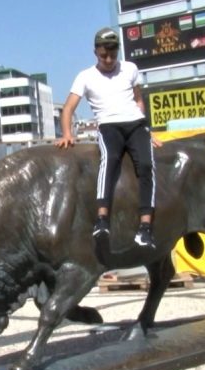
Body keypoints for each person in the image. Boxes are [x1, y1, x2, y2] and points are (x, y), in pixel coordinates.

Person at [55, 27, 159, 253]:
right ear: (96, 53)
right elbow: (68, 108)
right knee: (110, 159)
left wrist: (148, 131)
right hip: (109, 126)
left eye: (113, 55)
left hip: (136, 125)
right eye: (104, 55)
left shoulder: (130, 68)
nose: (109, 60)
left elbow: (139, 101)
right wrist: (67, 134)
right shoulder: (85, 76)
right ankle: (102, 220)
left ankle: (145, 228)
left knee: (146, 165)